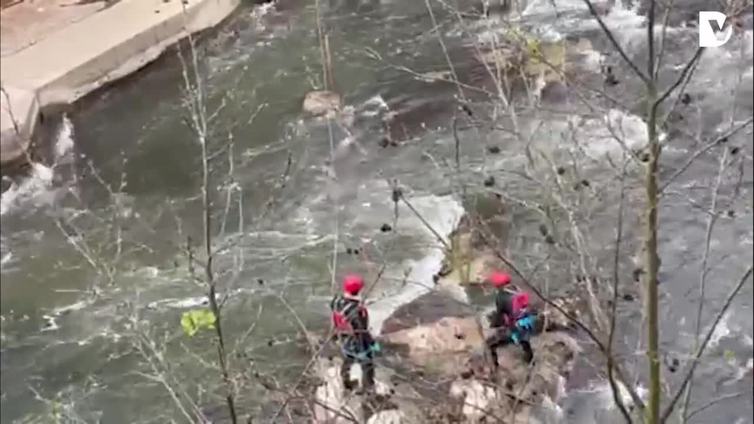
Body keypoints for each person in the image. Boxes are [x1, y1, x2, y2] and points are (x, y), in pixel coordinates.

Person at [330, 274, 378, 391]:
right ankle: (368, 388)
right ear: (359, 290)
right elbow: (361, 331)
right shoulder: (357, 311)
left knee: (348, 358)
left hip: (343, 338)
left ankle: (345, 380)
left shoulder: (336, 302)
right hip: (357, 343)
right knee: (367, 364)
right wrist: (372, 344)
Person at [485, 271, 537, 367]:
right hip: (528, 323)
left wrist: (492, 326)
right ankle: (530, 358)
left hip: (516, 327)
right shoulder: (517, 290)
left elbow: (500, 314)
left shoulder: (501, 297)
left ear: (497, 286)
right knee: (524, 339)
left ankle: (495, 367)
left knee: (490, 344)